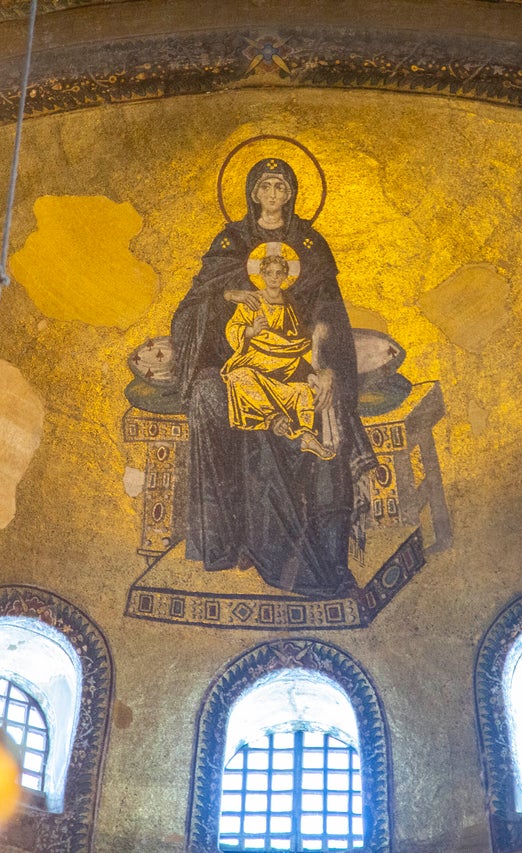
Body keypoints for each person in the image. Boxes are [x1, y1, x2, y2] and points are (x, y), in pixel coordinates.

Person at [169, 157, 377, 598]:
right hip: (239, 360)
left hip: (299, 361)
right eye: (265, 186)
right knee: (214, 399)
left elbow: (328, 316)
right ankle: (230, 539)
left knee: (327, 414)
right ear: (251, 192)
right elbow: (192, 309)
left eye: (281, 187)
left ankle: (327, 556)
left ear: (292, 193)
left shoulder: (310, 244)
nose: (273, 195)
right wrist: (228, 295)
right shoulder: (231, 242)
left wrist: (325, 367)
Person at [222, 252, 335, 460]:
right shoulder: (252, 301)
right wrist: (251, 331)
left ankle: (308, 437)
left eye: (279, 273)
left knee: (303, 391)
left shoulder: (289, 305)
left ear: (285, 276)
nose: (274, 277)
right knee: (239, 377)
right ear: (262, 275)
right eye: (269, 273)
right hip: (256, 362)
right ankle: (274, 419)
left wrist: (311, 370)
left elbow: (296, 341)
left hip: (285, 366)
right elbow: (232, 329)